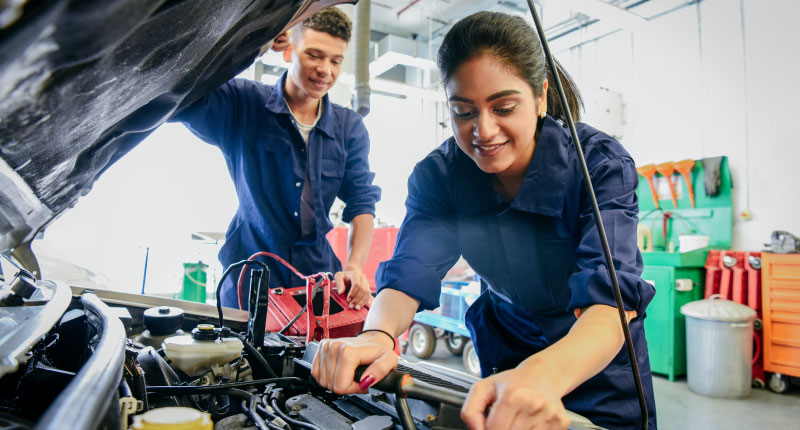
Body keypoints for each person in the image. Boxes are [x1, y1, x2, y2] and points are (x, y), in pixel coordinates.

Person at [311, 11, 656, 430]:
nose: (484, 130)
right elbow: (408, 274)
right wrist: (377, 335)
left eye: (504, 107)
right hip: (506, 353)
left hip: (596, 365)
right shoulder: (441, 176)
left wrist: (540, 377)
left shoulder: (599, 165)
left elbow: (610, 303)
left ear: (542, 96)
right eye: (463, 112)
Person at [171, 8, 380, 310]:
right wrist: (254, 43)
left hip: (316, 280)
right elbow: (182, 91)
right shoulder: (243, 104)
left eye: (335, 61)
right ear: (287, 52)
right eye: (314, 55)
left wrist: (354, 267)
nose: (326, 70)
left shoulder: (349, 128)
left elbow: (362, 201)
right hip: (250, 278)